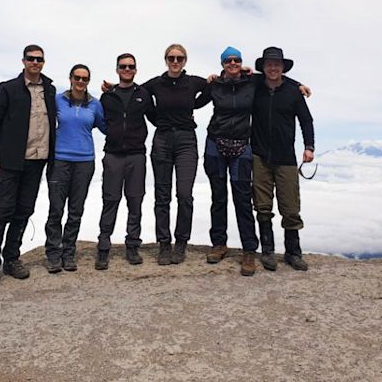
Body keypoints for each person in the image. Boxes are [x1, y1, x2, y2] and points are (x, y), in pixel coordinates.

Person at [198, 46, 308, 276]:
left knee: (243, 198)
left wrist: (298, 85)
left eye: (236, 60)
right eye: (228, 60)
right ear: (222, 64)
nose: (233, 63)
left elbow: (277, 77)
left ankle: (250, 250)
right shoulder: (216, 84)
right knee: (218, 197)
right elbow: (196, 101)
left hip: (242, 147)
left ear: (241, 62)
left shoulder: (252, 82)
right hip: (215, 145)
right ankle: (219, 244)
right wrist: (206, 81)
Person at [0, 45, 57, 291]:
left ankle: (11, 258)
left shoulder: (50, 89)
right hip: (9, 161)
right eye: (31, 59)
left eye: (39, 59)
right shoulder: (8, 89)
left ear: (43, 62)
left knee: (24, 211)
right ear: (23, 61)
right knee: (1, 212)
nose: (35, 62)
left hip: (37, 160)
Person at [143, 44, 209, 265]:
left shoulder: (193, 82)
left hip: (186, 141)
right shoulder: (156, 83)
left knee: (184, 194)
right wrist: (113, 87)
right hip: (162, 139)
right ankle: (164, 244)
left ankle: (181, 243)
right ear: (165, 59)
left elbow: (212, 88)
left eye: (179, 58)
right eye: (171, 58)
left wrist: (196, 103)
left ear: (185, 61)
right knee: (162, 196)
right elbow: (136, 94)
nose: (175, 61)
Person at [251, 46, 315, 272]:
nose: (273, 67)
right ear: (263, 66)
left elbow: (306, 120)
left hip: (286, 157)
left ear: (282, 67)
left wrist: (309, 147)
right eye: (269, 63)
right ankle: (267, 251)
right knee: (263, 206)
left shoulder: (293, 92)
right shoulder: (255, 86)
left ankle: (293, 252)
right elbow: (236, 75)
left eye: (277, 64)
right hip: (259, 155)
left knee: (290, 207)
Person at [44, 64, 107, 274]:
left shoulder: (95, 104)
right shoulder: (58, 100)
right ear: (70, 78)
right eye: (77, 78)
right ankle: (53, 253)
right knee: (56, 210)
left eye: (85, 79)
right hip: (60, 160)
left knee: (75, 211)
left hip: (85, 162)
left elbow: (106, 127)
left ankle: (68, 253)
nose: (81, 82)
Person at [95, 53, 155, 270]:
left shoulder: (143, 94)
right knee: (110, 200)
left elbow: (155, 117)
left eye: (131, 66)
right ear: (117, 69)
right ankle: (103, 247)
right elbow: (102, 122)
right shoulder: (108, 97)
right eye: (123, 66)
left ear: (136, 70)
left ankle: (132, 245)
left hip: (136, 155)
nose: (127, 69)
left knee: (135, 201)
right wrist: (112, 134)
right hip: (113, 155)